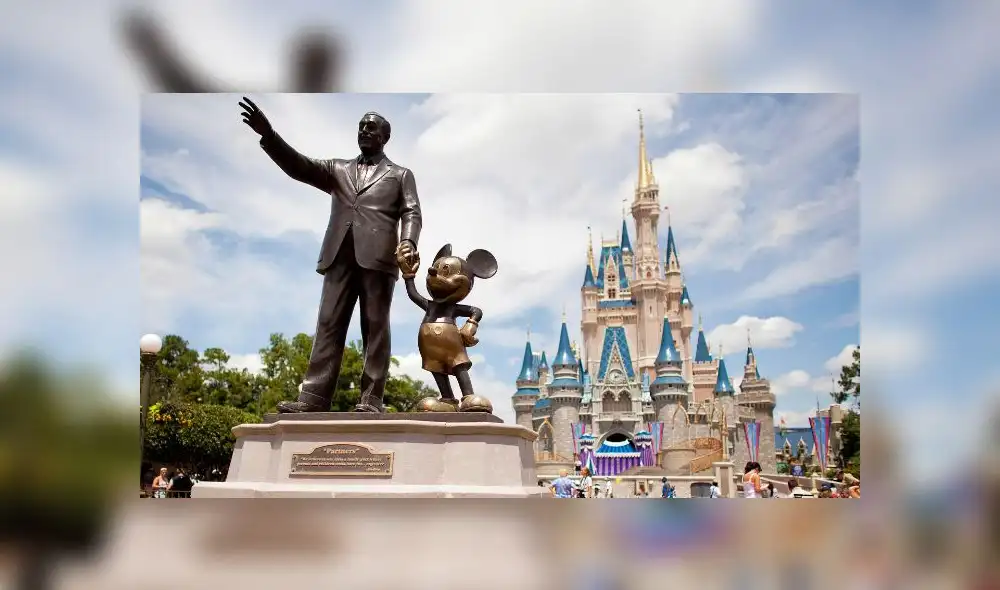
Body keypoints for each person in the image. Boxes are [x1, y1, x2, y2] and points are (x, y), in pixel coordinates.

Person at [239, 98, 422, 414]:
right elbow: (299, 165)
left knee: (375, 327)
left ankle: (370, 399)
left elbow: (412, 211)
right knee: (328, 324)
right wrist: (268, 135)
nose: (364, 131)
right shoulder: (337, 169)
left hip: (378, 259)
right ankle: (313, 398)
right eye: (361, 127)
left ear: (384, 137)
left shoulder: (400, 174)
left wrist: (408, 242)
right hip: (338, 255)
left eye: (371, 127)